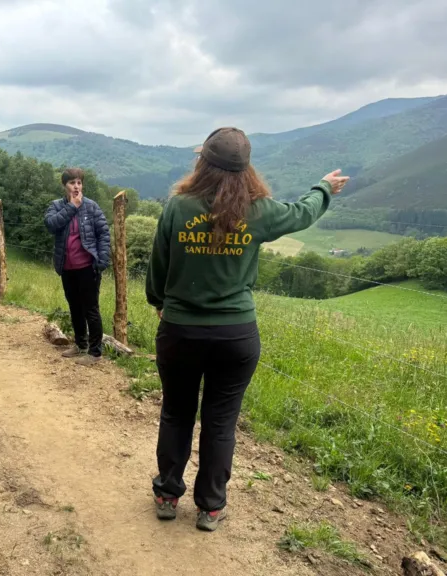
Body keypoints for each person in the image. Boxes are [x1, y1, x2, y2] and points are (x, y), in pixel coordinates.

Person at [145, 127, 349, 531]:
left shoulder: (178, 207)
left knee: (176, 412)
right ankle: (210, 507)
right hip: (235, 336)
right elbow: (302, 212)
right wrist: (324, 187)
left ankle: (168, 494)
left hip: (181, 331)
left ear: (202, 161)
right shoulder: (258, 211)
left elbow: (158, 266)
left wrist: (159, 303)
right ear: (246, 168)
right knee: (220, 422)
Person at [44, 168, 111, 366]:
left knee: (90, 309)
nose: (76, 186)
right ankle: (80, 344)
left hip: (87, 267)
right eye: (72, 183)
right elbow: (51, 225)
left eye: (79, 183)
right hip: (67, 267)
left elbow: (104, 234)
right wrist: (72, 207)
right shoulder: (56, 206)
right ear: (65, 186)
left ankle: (95, 352)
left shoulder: (91, 207)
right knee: (75, 307)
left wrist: (102, 260)